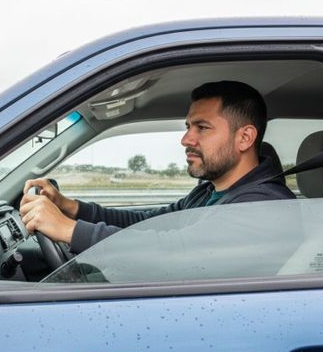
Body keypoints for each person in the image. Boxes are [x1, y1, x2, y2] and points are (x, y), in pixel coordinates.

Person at [20, 80, 295, 254]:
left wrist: (68, 229)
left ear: (245, 137)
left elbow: (174, 251)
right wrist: (71, 207)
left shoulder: (264, 206)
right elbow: (149, 222)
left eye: (202, 127)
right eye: (189, 127)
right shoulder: (210, 192)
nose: (186, 139)